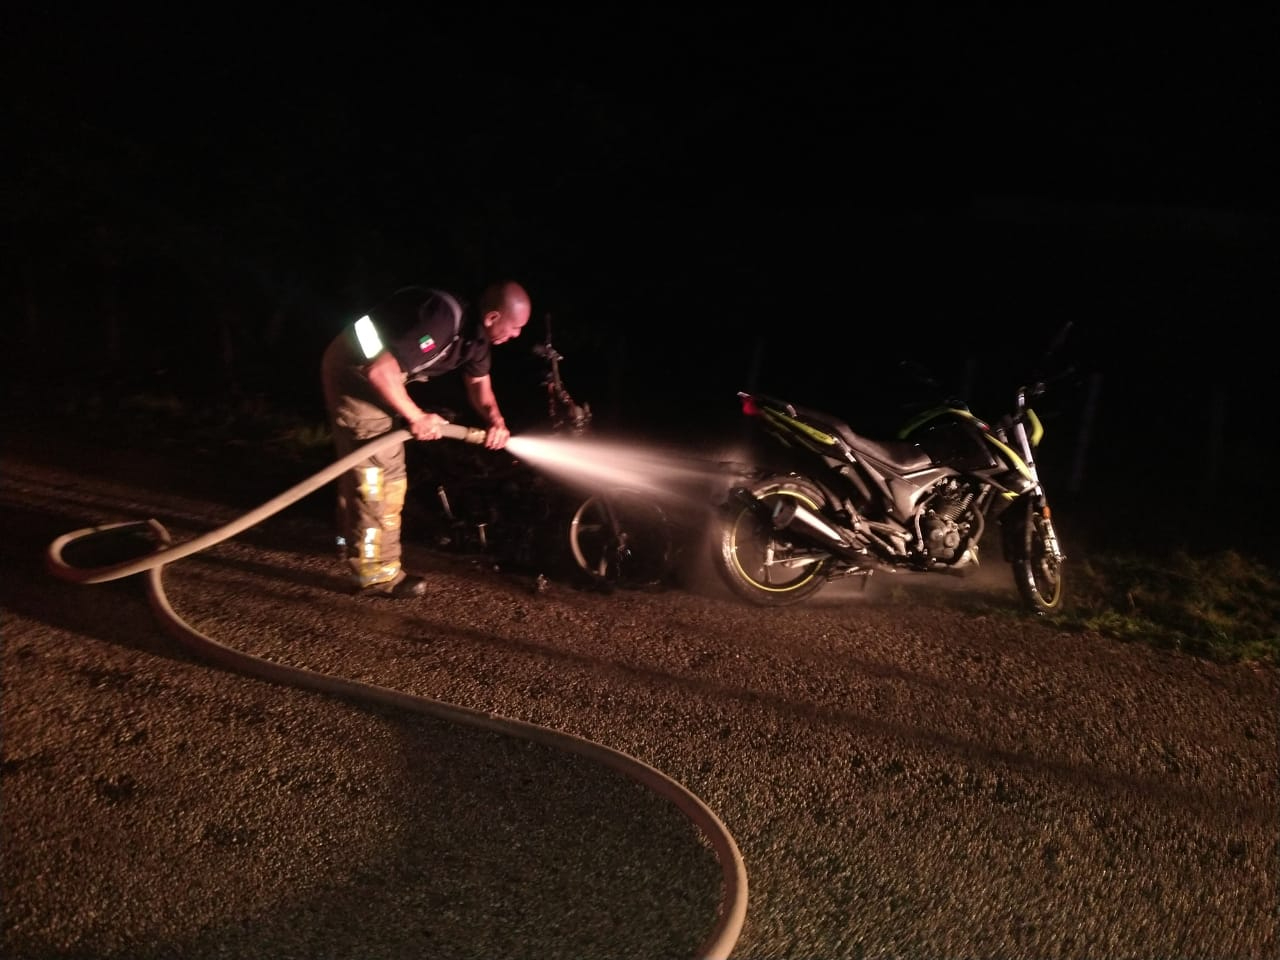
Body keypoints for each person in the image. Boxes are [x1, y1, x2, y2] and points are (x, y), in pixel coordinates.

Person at [321, 280, 531, 597]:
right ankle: (377, 575)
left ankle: (347, 542)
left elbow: (480, 385)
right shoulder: (442, 320)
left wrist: (496, 421)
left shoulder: (477, 339)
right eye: (515, 327)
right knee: (380, 477)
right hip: (355, 374)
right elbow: (380, 372)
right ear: (492, 318)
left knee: (363, 466)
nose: (517, 335)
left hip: (379, 377)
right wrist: (417, 417)